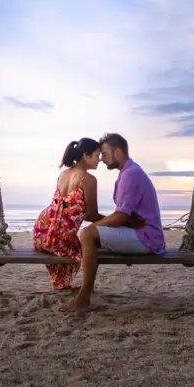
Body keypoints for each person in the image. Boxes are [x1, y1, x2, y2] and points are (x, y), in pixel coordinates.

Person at [61, 132, 166, 312]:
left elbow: (120, 216)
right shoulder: (128, 172)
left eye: (104, 154)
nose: (101, 159)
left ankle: (84, 298)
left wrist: (93, 227)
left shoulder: (131, 174)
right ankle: (88, 288)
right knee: (89, 237)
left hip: (145, 237)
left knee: (87, 234)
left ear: (117, 152)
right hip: (139, 232)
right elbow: (122, 217)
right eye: (99, 155)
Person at [33, 137, 103, 289]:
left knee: (81, 244)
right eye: (97, 155)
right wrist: (117, 219)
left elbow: (62, 207)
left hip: (41, 234)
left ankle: (62, 285)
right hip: (59, 239)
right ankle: (84, 290)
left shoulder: (63, 174)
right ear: (86, 155)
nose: (100, 160)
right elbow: (91, 215)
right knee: (88, 251)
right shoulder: (89, 180)